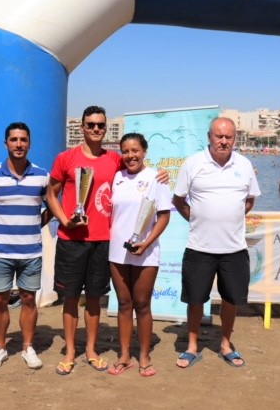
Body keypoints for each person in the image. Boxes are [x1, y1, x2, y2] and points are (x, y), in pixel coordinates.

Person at [46, 105, 168, 375]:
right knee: (69, 298)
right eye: (91, 125)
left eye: (101, 125)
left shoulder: (115, 159)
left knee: (93, 299)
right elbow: (51, 194)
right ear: (82, 127)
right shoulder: (65, 158)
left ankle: (90, 350)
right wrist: (65, 221)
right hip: (72, 239)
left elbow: (142, 172)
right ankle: (69, 351)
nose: (96, 129)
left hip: (104, 242)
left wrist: (162, 174)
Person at [172, 117, 261, 369]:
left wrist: (229, 218)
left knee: (231, 299)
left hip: (234, 248)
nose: (224, 141)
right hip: (199, 247)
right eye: (219, 136)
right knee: (196, 299)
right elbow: (178, 200)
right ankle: (191, 346)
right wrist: (197, 217)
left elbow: (250, 200)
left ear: (235, 138)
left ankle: (225, 344)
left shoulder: (244, 164)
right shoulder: (193, 163)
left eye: (228, 137)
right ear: (209, 137)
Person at [0, 122, 52, 370]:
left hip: (31, 252)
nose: (19, 144)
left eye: (23, 140)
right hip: (1, 252)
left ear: (29, 143)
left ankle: (28, 348)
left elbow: (51, 207)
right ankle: (0, 347)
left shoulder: (42, 176)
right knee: (0, 300)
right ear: (5, 143)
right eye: (14, 140)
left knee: (29, 299)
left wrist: (34, 225)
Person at [107, 133, 172, 378]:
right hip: (117, 251)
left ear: (144, 151)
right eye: (125, 151)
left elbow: (164, 216)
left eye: (135, 150)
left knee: (142, 305)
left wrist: (146, 243)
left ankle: (144, 356)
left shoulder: (156, 178)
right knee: (124, 304)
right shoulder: (117, 178)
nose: (130, 156)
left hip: (146, 252)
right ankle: (124, 355)